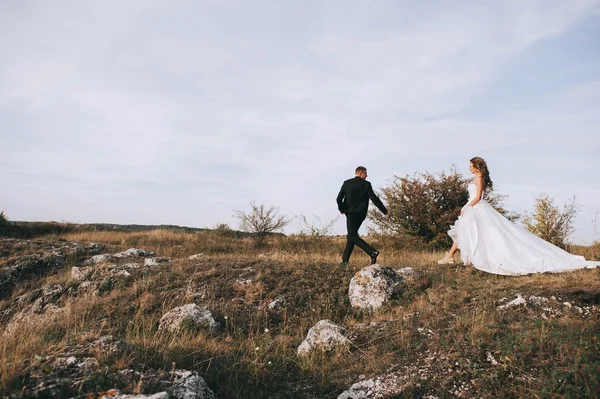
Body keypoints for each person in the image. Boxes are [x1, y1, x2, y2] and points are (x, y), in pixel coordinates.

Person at [437, 157, 599, 275]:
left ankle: (451, 256)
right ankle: (450, 256)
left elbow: (478, 196)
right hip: (473, 208)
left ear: (476, 166)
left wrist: (467, 206)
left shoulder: (479, 178)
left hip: (476, 207)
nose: (469, 168)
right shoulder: (476, 177)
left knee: (473, 232)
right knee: (466, 232)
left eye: (471, 166)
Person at [337, 166, 390, 266]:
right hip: (361, 214)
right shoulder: (366, 184)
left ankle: (372, 252)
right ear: (360, 173)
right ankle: (344, 261)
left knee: (352, 235)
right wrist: (385, 211)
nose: (367, 175)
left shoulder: (347, 183)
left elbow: (339, 199)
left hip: (350, 213)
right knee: (352, 235)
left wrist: (342, 209)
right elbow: (375, 199)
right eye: (366, 173)